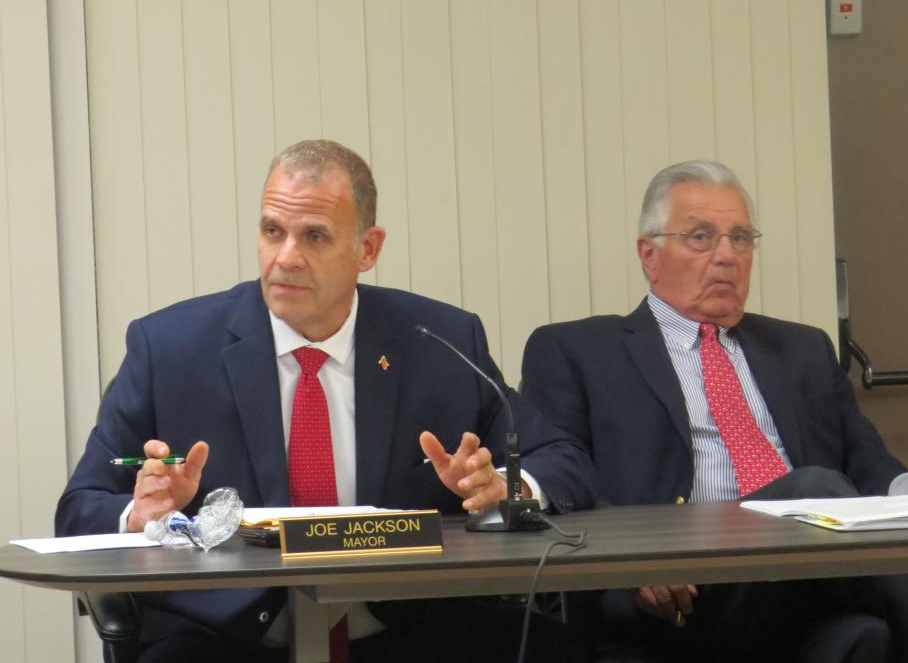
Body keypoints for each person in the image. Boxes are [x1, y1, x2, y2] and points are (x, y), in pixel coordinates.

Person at [56, 139, 596, 662]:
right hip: (226, 638)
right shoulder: (170, 350)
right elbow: (79, 508)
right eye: (273, 231)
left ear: (368, 248)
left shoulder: (440, 340)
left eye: (314, 236)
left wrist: (508, 486)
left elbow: (564, 460)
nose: (286, 258)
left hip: (407, 627)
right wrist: (141, 514)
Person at [521, 159, 908, 663]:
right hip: (680, 591)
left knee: (866, 637)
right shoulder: (577, 351)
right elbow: (562, 481)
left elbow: (871, 467)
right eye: (702, 237)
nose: (726, 256)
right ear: (649, 255)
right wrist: (633, 562)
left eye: (741, 238)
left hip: (803, 587)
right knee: (813, 489)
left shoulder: (804, 350)